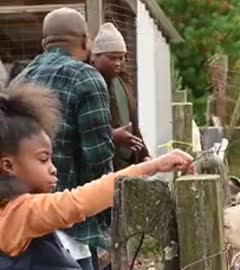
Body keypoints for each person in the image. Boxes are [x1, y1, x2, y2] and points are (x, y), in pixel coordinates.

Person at [0, 84, 195, 269]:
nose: (53, 169)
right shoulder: (20, 212)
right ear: (8, 166)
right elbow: (79, 201)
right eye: (43, 160)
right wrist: (152, 166)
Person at [7, 8, 116, 270]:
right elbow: (99, 154)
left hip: (27, 220)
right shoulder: (86, 76)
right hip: (76, 218)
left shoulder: (19, 80)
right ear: (84, 40)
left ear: (45, 42)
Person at [91, 22, 150, 171]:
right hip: (103, 167)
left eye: (121, 58)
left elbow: (133, 126)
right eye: (112, 58)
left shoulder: (123, 83)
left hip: (128, 164)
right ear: (95, 57)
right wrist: (112, 136)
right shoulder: (88, 85)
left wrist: (144, 155)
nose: (118, 63)